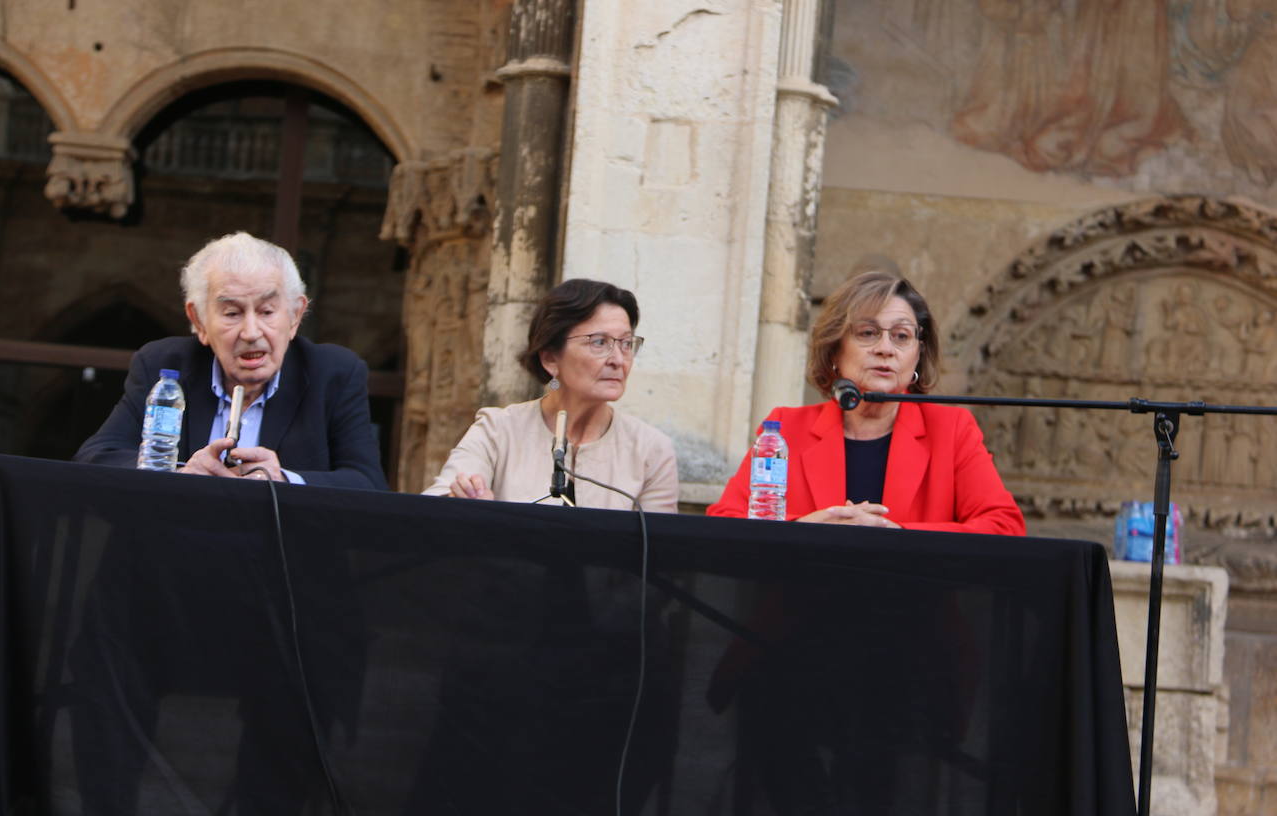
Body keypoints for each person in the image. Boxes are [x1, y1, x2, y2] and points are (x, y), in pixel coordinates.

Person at [708, 270, 1024, 534]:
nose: (885, 348)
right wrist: (805, 529)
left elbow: (1004, 525)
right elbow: (725, 522)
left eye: (901, 336)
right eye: (868, 332)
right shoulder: (786, 430)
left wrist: (898, 536)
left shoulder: (952, 431)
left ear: (918, 354)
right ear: (834, 350)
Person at [75, 231, 387, 490]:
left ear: (294, 316)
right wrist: (180, 475)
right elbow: (97, 457)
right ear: (198, 321)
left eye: (267, 312)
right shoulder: (164, 366)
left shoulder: (334, 374)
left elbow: (366, 483)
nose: (251, 332)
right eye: (232, 313)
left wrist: (282, 481)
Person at [423, 278, 678, 512]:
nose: (618, 360)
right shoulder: (498, 430)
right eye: (599, 342)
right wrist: (466, 501)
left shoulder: (651, 450)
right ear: (550, 358)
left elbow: (662, 549)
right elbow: (434, 507)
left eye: (626, 343)